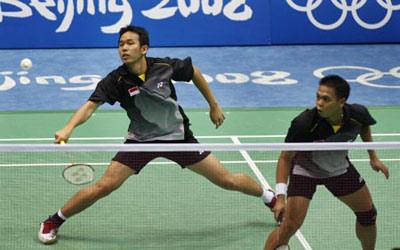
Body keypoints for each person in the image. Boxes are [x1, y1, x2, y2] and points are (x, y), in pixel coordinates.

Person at [38, 25, 276, 244]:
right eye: (121, 44)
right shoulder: (116, 80)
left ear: (144, 48)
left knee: (226, 179)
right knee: (104, 186)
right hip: (141, 141)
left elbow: (194, 72)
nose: (124, 48)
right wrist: (68, 128)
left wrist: (213, 105)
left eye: (130, 43)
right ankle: (53, 220)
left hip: (178, 138)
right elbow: (90, 106)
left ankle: (270, 198)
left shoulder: (163, 67)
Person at [264, 75, 389, 250]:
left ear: (341, 101)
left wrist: (373, 158)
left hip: (337, 168)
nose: (319, 103)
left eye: (326, 99)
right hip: (305, 170)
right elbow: (285, 157)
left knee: (368, 215)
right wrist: (280, 197)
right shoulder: (304, 123)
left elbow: (364, 127)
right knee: (289, 226)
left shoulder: (357, 114)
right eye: (318, 97)